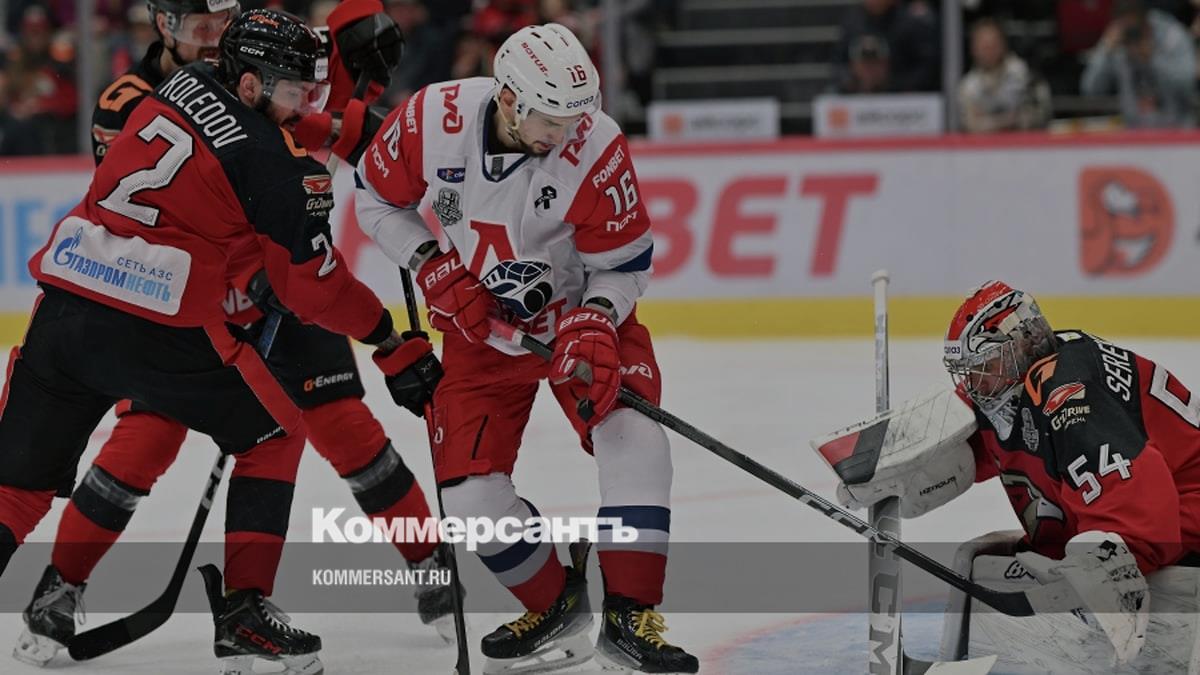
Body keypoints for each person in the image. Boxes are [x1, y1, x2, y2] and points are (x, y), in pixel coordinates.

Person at [5, 9, 436, 674]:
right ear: (165, 25)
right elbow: (305, 263)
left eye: (219, 20)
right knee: (210, 435)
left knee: (15, 487)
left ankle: (430, 564)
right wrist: (387, 337)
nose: (209, 32)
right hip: (187, 303)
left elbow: (291, 108)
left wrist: (356, 98)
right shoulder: (170, 113)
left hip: (82, 293)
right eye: (196, 22)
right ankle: (225, 607)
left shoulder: (192, 82)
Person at [354, 21, 699, 675]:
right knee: (469, 501)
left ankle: (631, 614)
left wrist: (597, 317)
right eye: (551, 119)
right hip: (480, 330)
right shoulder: (432, 119)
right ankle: (554, 603)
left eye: (576, 118)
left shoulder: (596, 145)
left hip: (580, 321)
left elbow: (625, 264)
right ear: (509, 99)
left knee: (636, 439)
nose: (566, 133)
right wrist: (429, 263)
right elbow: (374, 200)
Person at [817, 280, 1200, 669]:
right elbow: (967, 449)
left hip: (1187, 526)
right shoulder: (1016, 387)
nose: (977, 383)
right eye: (969, 371)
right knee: (980, 559)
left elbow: (1142, 503)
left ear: (1024, 343)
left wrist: (1113, 562)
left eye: (986, 365)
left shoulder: (1071, 392)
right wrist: (888, 462)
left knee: (1096, 565)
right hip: (1152, 517)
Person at [1081, 0, 1196, 129]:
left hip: (1177, 132)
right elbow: (1090, 91)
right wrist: (1104, 51)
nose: (1133, 37)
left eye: (1136, 30)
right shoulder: (1118, 42)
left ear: (1146, 22)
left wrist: (1153, 59)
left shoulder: (1171, 36)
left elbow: (1188, 86)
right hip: (1136, 135)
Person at [958, 18, 1050, 132]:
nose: (989, 50)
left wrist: (989, 121)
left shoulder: (1023, 74)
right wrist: (1007, 120)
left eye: (993, 44)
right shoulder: (968, 86)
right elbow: (972, 126)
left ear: (1003, 44)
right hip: (985, 142)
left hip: (1023, 139)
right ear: (973, 49)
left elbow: (1037, 115)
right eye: (984, 45)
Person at [834, 0, 940, 93]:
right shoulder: (852, 23)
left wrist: (898, 85)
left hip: (902, 96)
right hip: (859, 96)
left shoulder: (910, 24)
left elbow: (927, 66)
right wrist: (851, 81)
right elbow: (839, 62)